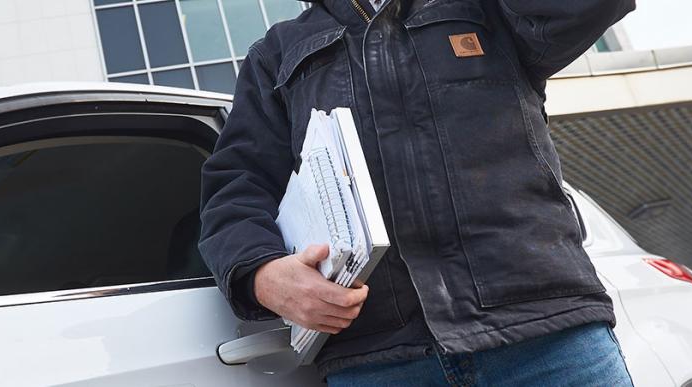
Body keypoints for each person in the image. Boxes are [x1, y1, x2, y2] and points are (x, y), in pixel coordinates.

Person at [199, 0, 636, 385]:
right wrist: (261, 274)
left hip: (546, 339)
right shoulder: (275, 56)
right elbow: (236, 187)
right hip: (381, 362)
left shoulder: (490, 10)